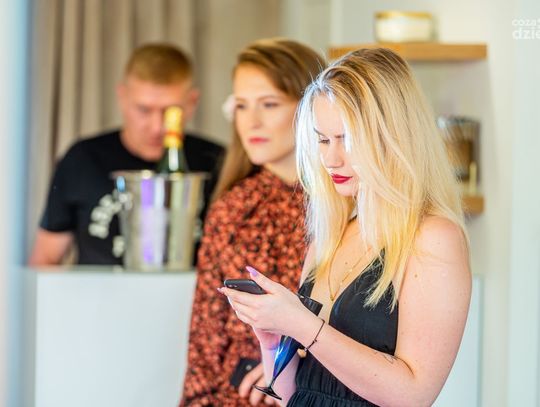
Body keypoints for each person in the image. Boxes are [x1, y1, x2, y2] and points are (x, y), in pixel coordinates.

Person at [221, 48, 472, 406]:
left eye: (348, 140)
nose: (330, 158)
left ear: (395, 137)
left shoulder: (433, 237)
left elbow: (413, 395)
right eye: (323, 140)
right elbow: (294, 394)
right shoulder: (332, 234)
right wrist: (272, 340)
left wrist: (301, 325)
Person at [181, 38, 326, 406]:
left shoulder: (343, 204)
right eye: (242, 105)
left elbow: (364, 326)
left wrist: (287, 362)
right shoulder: (233, 207)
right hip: (233, 395)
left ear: (312, 106)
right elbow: (204, 338)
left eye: (269, 104)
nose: (252, 121)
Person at [28, 43, 224, 266]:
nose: (156, 127)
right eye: (143, 110)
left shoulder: (218, 162)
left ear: (192, 103)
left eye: (170, 111)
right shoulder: (82, 159)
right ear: (122, 97)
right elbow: (45, 259)